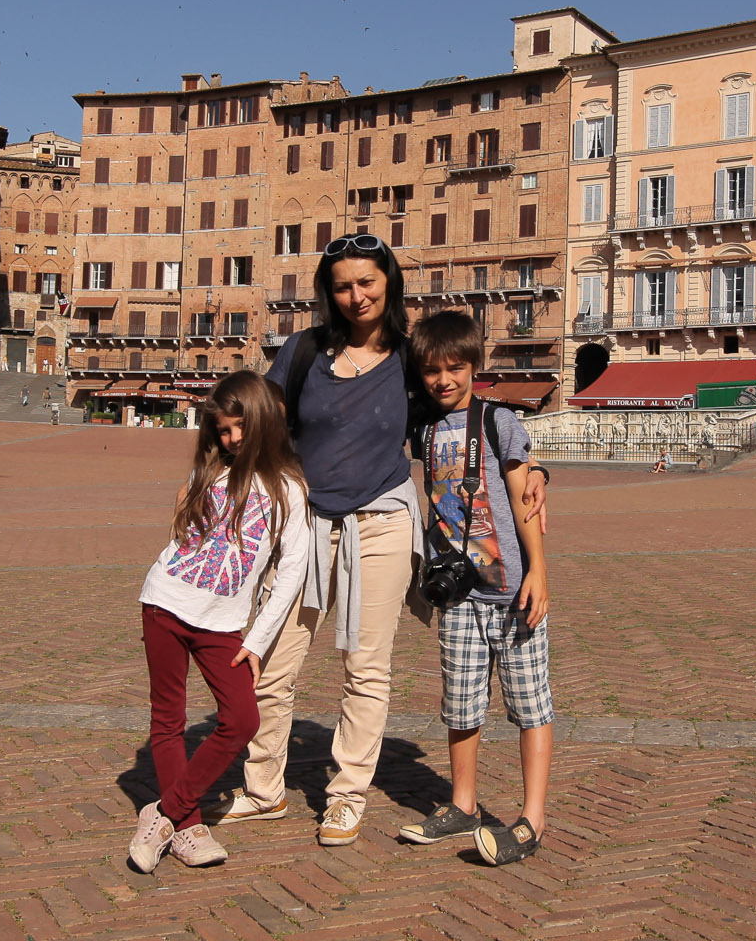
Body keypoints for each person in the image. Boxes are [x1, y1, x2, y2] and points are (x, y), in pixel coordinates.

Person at [217, 233, 545, 847]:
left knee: (366, 668)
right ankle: (263, 790)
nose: (356, 295)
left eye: (367, 281)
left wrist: (533, 472)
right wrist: (218, 455)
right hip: (306, 525)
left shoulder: (406, 357)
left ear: (388, 282)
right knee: (272, 659)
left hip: (383, 523)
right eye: (343, 285)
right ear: (328, 291)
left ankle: (346, 795)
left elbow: (462, 412)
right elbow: (256, 415)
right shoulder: (304, 351)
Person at [128, 371, 313, 874]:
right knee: (168, 721)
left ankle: (164, 813)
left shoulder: (290, 489)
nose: (230, 440)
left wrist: (257, 640)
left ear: (261, 422)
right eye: (222, 431)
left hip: (223, 626)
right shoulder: (210, 469)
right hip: (165, 603)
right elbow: (184, 532)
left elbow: (293, 569)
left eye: (238, 429)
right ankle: (188, 828)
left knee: (242, 719)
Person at [394, 312, 555, 865]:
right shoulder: (423, 427)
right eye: (433, 370)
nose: (444, 380)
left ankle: (533, 817)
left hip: (512, 591)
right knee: (461, 707)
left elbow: (523, 500)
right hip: (457, 596)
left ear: (474, 366)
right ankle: (463, 804)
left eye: (455, 368)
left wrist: (539, 571)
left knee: (530, 706)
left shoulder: (498, 421)